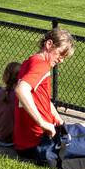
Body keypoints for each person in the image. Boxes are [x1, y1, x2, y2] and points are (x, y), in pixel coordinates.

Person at [13, 27, 75, 161]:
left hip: (24, 143)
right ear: (49, 44)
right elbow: (20, 90)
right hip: (39, 142)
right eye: (60, 54)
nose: (61, 60)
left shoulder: (29, 62)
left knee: (80, 131)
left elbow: (42, 99)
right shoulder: (41, 65)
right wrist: (43, 123)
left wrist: (58, 119)